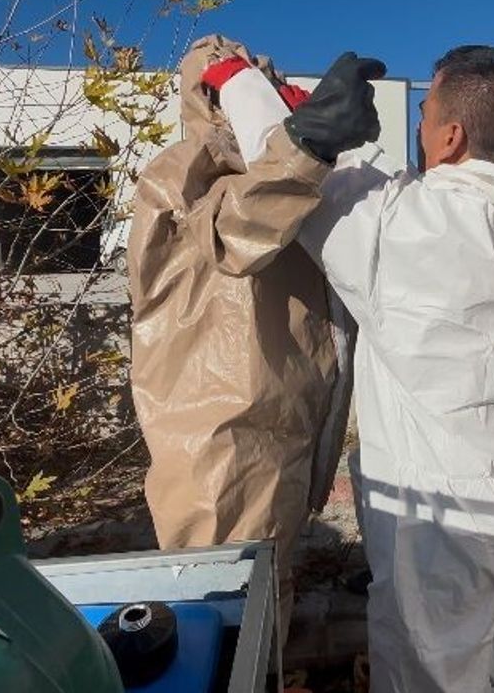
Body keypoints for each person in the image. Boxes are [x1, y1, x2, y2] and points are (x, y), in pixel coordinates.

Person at [221, 44, 494, 693]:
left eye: (426, 111)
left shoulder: (403, 227)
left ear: (452, 135)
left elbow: (289, 156)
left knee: (431, 673)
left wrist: (236, 79)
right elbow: (377, 184)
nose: (418, 124)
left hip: (444, 517)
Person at [126, 35, 382, 629]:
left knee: (265, 596)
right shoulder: (182, 173)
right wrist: (307, 144)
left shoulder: (290, 174)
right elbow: (232, 231)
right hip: (221, 443)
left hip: (278, 429)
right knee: (223, 616)